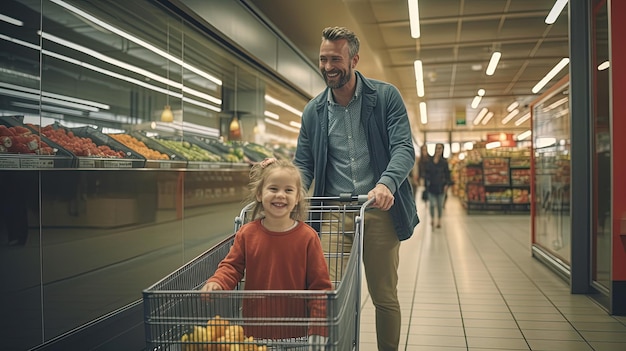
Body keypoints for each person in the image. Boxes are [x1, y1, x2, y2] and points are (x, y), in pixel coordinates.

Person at [293, 26, 419, 351]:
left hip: (378, 209)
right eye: (323, 59)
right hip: (334, 212)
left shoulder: (385, 97)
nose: (328, 66)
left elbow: (404, 147)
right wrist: (282, 184)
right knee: (330, 292)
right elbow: (303, 164)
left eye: (336, 58)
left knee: (384, 294)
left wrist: (387, 183)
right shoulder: (314, 111)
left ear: (354, 59)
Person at [201, 158, 332, 342]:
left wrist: (318, 330)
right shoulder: (247, 234)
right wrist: (218, 282)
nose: (280, 195)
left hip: (296, 333)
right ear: (259, 194)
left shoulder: (307, 237)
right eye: (273, 189)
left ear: (297, 198)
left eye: (288, 190)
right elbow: (232, 266)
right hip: (255, 330)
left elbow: (320, 288)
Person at [423, 143, 451, 229]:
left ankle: (439, 220)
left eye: (440, 148)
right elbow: (426, 173)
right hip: (431, 186)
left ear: (443, 150)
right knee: (432, 204)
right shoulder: (430, 161)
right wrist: (425, 183)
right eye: (437, 148)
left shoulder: (444, 162)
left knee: (439, 205)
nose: (438, 150)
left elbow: (447, 174)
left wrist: (447, 184)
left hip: (441, 187)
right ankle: (432, 219)